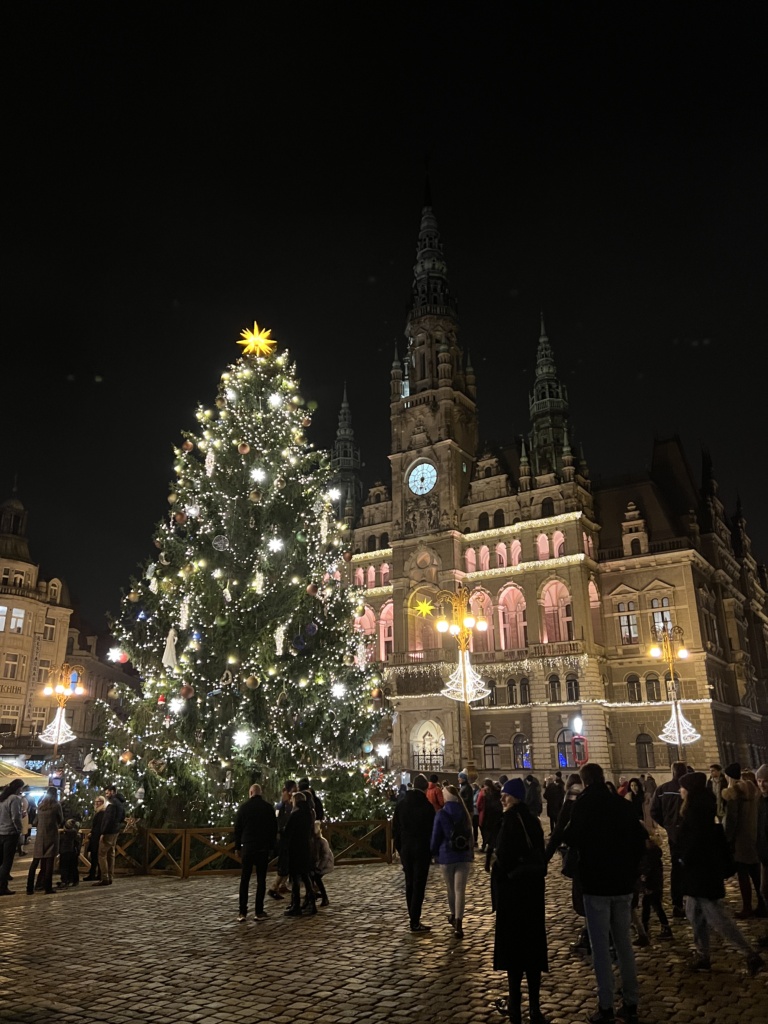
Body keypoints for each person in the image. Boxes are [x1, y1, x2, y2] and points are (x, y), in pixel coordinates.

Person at [564, 762, 646, 1024]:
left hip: (596, 886)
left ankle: (606, 1006)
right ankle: (631, 1002)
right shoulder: (622, 805)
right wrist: (632, 873)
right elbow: (639, 842)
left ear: (585, 782)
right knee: (624, 944)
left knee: (600, 948)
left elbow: (570, 839)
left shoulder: (584, 806)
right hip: (622, 885)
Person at [675, 770, 764, 976]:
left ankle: (751, 955)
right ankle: (702, 955)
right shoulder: (701, 809)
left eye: (683, 788)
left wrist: (683, 858)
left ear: (689, 791)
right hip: (699, 875)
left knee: (718, 918)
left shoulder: (696, 813)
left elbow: (694, 844)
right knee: (694, 914)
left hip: (701, 876)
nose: (680, 791)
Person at [492, 778, 549, 1024]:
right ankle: (535, 1008)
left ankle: (515, 1006)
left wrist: (497, 866)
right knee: (533, 952)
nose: (502, 798)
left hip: (513, 896)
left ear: (514, 797)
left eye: (505, 795)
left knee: (514, 955)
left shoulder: (510, 821)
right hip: (533, 895)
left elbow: (504, 858)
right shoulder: (533, 821)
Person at [545, 772, 587, 954]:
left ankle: (590, 936)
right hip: (606, 859)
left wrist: (545, 857)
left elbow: (561, 827)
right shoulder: (596, 797)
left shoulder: (572, 796)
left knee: (584, 898)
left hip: (582, 856)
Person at [721, 762, 767, 918]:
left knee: (743, 875)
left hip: (741, 839)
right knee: (756, 873)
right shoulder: (755, 791)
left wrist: (727, 839)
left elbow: (732, 821)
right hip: (754, 836)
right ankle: (762, 904)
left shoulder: (734, 793)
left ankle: (747, 906)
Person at [391, 772, 435, 933]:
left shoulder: (402, 804)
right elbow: (432, 830)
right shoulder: (427, 806)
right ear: (425, 788)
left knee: (409, 883)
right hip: (422, 849)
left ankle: (412, 917)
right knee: (419, 884)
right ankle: (415, 920)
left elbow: (395, 828)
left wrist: (400, 847)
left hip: (406, 849)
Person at [430, 783, 474, 939]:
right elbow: (471, 834)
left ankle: (454, 916)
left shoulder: (441, 813)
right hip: (464, 856)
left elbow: (436, 837)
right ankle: (459, 924)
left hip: (447, 856)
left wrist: (433, 853)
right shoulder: (464, 812)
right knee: (460, 890)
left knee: (450, 889)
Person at [233, 782, 278, 922]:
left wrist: (237, 847)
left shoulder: (244, 808)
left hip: (248, 846)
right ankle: (259, 911)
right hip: (262, 847)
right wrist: (271, 847)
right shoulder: (268, 808)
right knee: (261, 880)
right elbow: (273, 829)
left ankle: (242, 912)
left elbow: (237, 829)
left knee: (245, 879)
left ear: (251, 793)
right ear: (260, 793)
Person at [650, 760, 687, 918]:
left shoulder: (662, 789)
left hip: (674, 835)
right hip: (688, 833)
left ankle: (677, 904)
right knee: (690, 867)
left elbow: (654, 811)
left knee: (676, 869)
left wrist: (667, 825)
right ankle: (693, 901)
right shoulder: (688, 789)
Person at [632, 832, 672, 945]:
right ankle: (648, 927)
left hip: (651, 886)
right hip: (654, 886)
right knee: (650, 906)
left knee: (654, 906)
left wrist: (646, 884)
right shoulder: (653, 855)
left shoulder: (650, 857)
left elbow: (649, 872)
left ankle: (657, 927)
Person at [282, 790, 316, 916]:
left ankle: (296, 905)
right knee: (306, 876)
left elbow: (288, 832)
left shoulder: (295, 814)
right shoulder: (308, 813)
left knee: (295, 877)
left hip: (296, 849)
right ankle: (311, 902)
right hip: (306, 848)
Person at [26, 786, 64, 895]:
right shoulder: (56, 805)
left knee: (35, 861)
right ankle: (48, 887)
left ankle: (29, 887)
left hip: (40, 836)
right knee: (49, 862)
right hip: (51, 835)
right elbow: (60, 819)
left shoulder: (41, 805)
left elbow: (35, 821)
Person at [268, 779, 296, 900]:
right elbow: (278, 821)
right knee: (285, 863)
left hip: (289, 837)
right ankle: (273, 887)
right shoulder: (281, 806)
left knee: (288, 863)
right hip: (284, 838)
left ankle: (282, 885)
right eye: (292, 791)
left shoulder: (289, 805)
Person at [96, 784, 126, 886]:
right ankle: (110, 876)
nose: (106, 795)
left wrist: (103, 832)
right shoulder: (120, 803)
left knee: (102, 854)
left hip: (109, 832)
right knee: (111, 854)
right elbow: (123, 817)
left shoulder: (112, 803)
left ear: (113, 792)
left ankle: (105, 877)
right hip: (115, 831)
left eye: (108, 792)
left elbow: (108, 819)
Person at [0, 777, 24, 895]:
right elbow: (16, 817)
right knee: (7, 861)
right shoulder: (14, 799)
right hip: (10, 833)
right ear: (18, 788)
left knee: (1, 861)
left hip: (1, 832)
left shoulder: (2, 799)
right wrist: (19, 829)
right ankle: (2, 887)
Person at [755, 764, 768, 949]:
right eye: (759, 781)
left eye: (766, 781)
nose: (762, 784)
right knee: (765, 891)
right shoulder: (761, 801)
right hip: (765, 856)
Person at [478, 778, 503, 872]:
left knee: (493, 842)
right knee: (492, 842)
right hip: (492, 820)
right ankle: (488, 863)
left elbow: (481, 805)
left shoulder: (490, 793)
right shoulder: (489, 793)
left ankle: (489, 863)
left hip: (492, 820)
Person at [310, 820, 334, 907]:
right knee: (311, 877)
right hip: (317, 863)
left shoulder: (323, 841)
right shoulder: (312, 841)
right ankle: (313, 894)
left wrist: (319, 868)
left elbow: (325, 857)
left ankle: (324, 897)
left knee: (316, 877)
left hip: (325, 864)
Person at [83, 795, 106, 881]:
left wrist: (92, 833)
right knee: (95, 856)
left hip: (97, 837)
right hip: (96, 836)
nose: (96, 804)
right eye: (95, 802)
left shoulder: (101, 813)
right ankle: (97, 874)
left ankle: (95, 874)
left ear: (102, 803)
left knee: (95, 856)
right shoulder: (99, 812)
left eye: (98, 802)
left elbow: (98, 826)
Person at [57, 817, 82, 888]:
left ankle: (65, 881)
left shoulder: (64, 835)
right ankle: (74, 880)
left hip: (65, 852)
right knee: (73, 867)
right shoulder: (77, 835)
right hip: (74, 852)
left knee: (64, 867)